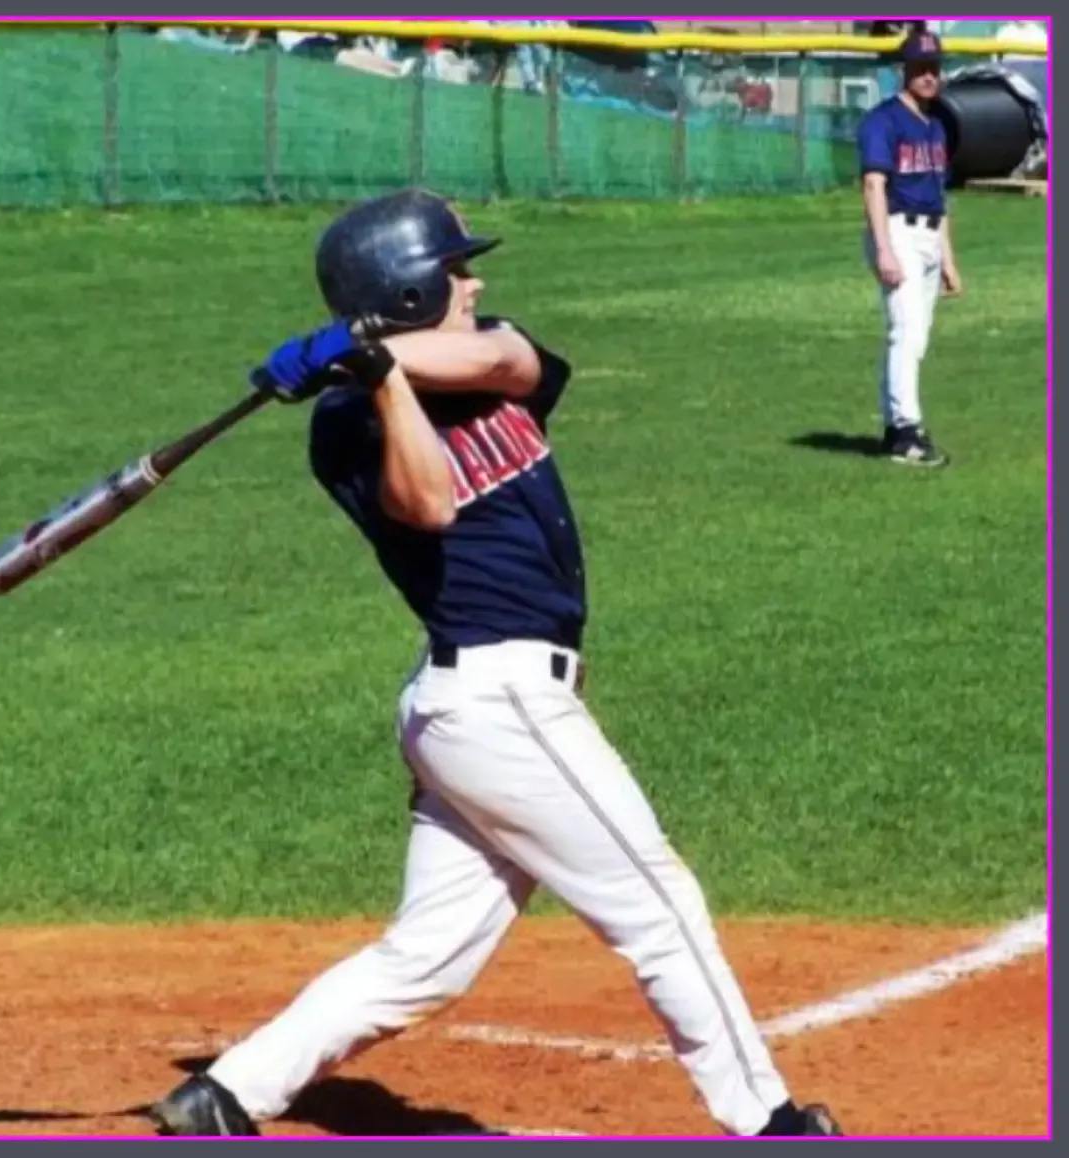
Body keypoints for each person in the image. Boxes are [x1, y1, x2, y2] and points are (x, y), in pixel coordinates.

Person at [147, 188, 844, 1140]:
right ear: (407, 293)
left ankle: (225, 1093)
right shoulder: (345, 427)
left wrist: (374, 353)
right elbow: (429, 504)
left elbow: (513, 360)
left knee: (428, 958)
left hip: (487, 705)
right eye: (454, 272)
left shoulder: (484, 358)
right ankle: (771, 1123)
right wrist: (377, 379)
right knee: (660, 904)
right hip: (494, 701)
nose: (473, 285)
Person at [857, 29, 963, 469]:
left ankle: (894, 429)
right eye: (920, 68)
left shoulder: (937, 124)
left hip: (930, 234)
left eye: (934, 68)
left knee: (915, 337)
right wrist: (884, 249)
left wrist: (948, 259)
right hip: (898, 230)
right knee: (906, 330)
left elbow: (939, 195)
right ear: (905, 70)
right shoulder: (882, 120)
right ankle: (906, 431)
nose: (928, 76)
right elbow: (873, 185)